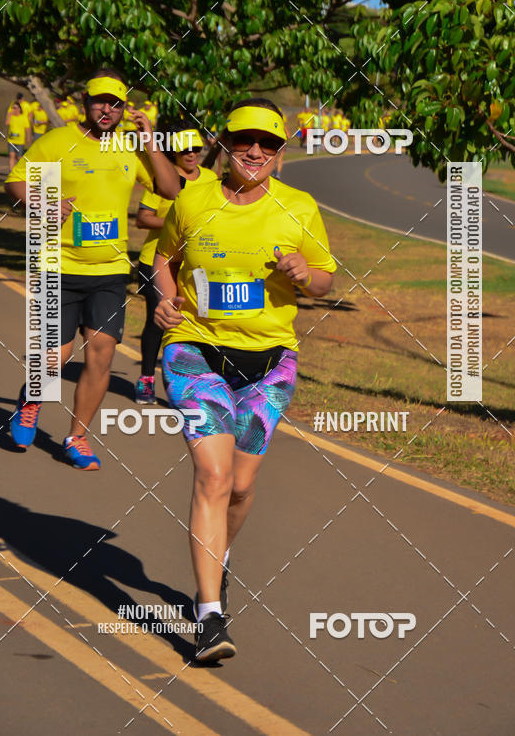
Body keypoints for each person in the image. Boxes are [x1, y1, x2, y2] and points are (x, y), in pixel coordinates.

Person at [153, 97, 336, 662]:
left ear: (281, 154)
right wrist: (165, 300)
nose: (255, 151)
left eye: (269, 144)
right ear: (224, 145)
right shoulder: (193, 199)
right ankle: (210, 616)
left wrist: (306, 274)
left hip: (269, 362)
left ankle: (218, 563)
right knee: (212, 474)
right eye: (243, 141)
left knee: (239, 487)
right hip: (195, 351)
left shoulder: (300, 207)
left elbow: (325, 280)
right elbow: (165, 258)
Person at [4, 69, 180, 469]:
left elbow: (170, 190)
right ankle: (31, 401)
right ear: (86, 102)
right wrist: (42, 201)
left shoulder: (131, 149)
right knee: (56, 359)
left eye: (115, 103)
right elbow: (14, 182)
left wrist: (150, 141)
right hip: (58, 267)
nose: (107, 109)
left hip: (110, 271)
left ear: (124, 109)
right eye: (100, 101)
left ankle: (76, 438)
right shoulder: (58, 141)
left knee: (101, 354)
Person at [134, 125, 217, 404]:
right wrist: (177, 226)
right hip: (157, 261)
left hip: (194, 264)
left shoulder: (210, 178)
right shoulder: (165, 178)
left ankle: (190, 384)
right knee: (159, 322)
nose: (192, 154)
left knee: (195, 322)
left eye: (196, 149)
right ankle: (146, 379)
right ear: (174, 153)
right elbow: (142, 218)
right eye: (185, 150)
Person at [5, 101, 31, 170]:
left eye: (15, 108)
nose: (13, 109)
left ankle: (22, 170)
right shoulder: (11, 117)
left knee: (19, 157)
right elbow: (7, 123)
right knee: (11, 156)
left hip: (20, 141)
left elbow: (27, 129)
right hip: (11, 140)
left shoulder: (24, 118)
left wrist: (28, 137)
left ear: (19, 109)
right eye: (12, 108)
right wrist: (9, 115)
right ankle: (11, 172)